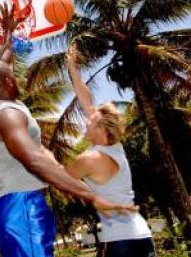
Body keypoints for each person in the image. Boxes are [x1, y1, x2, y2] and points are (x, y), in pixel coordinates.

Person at [0, 5, 136, 257]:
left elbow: (5, 59)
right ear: (8, 82)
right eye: (13, 75)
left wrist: (8, 32)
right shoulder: (8, 116)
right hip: (23, 209)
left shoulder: (0, 101)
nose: (17, 76)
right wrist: (90, 196)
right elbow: (34, 160)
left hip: (21, 207)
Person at [65, 45, 156, 257]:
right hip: (142, 235)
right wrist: (73, 68)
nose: (86, 121)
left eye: (90, 120)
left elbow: (61, 178)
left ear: (101, 129)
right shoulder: (115, 147)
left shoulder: (91, 159)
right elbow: (86, 100)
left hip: (119, 241)